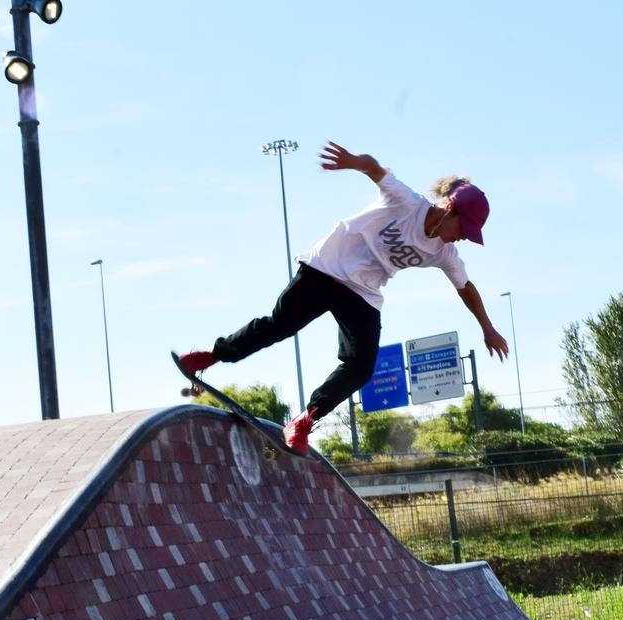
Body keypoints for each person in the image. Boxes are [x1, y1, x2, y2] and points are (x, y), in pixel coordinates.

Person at [178, 141, 510, 455]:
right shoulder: (405, 201)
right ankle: (211, 356)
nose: (463, 238)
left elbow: (466, 288)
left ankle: (304, 421)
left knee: (361, 365)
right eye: (463, 230)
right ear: (449, 208)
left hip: (363, 292)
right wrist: (352, 162)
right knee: (280, 325)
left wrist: (488, 328)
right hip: (326, 266)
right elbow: (375, 168)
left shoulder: (445, 253)